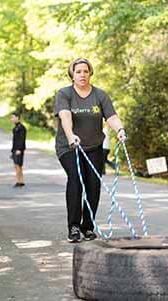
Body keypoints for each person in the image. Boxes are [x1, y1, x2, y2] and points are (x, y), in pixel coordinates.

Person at [54, 58, 127, 243]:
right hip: (69, 146)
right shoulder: (64, 93)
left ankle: (87, 226)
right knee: (76, 180)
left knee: (93, 185)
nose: (82, 75)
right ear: (72, 74)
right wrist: (70, 135)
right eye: (78, 71)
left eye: (85, 71)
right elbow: (65, 116)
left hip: (94, 146)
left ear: (90, 73)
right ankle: (74, 227)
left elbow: (111, 116)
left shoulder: (100, 95)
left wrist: (120, 130)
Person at [10, 112, 26, 187]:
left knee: (18, 165)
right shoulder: (15, 128)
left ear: (17, 118)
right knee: (17, 165)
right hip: (15, 149)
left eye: (13, 117)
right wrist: (12, 150)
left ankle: (20, 181)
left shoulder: (21, 128)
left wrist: (19, 149)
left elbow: (22, 140)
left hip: (19, 149)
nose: (11, 119)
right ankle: (20, 180)